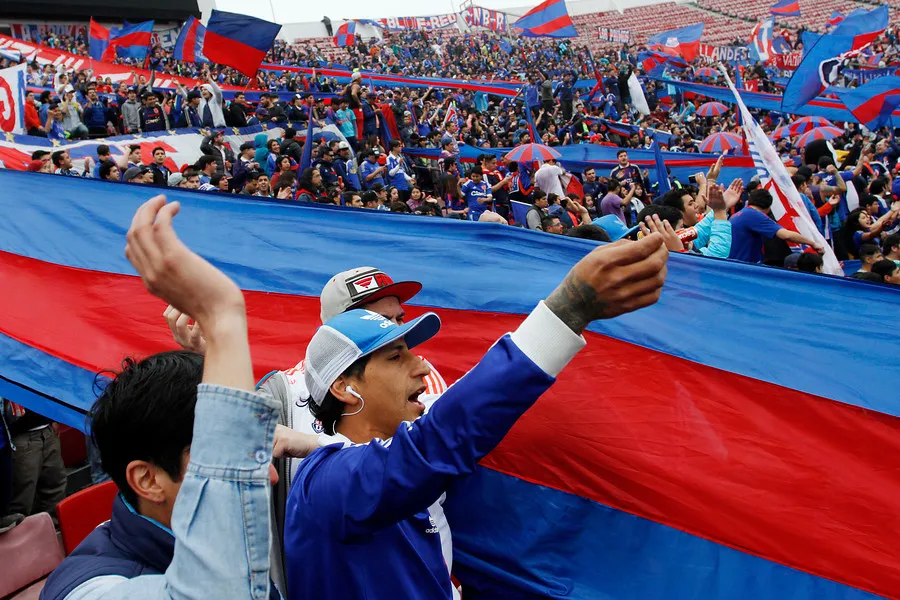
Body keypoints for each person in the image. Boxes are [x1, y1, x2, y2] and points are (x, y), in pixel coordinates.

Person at [283, 231, 668, 600]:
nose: (422, 367)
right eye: (396, 356)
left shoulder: (360, 462)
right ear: (344, 387)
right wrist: (567, 311)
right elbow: (442, 438)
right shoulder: (327, 482)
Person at [41, 194, 316, 600]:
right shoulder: (91, 589)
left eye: (255, 457)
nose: (270, 476)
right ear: (148, 479)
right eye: (223, 458)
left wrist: (314, 446)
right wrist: (222, 317)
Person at [728, 189, 824, 264]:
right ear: (769, 207)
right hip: (745, 266)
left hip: (734, 263)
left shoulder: (738, 214)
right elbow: (786, 235)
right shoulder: (754, 215)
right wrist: (812, 243)